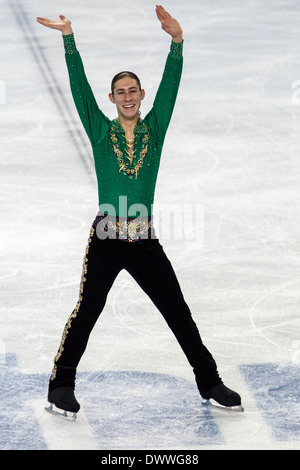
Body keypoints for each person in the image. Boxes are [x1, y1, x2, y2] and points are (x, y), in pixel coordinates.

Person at [37, 6, 242, 418]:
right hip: (108, 237)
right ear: (111, 99)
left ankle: (210, 381)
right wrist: (69, 39)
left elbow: (172, 86)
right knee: (87, 310)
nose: (128, 97)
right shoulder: (100, 130)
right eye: (121, 92)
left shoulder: (154, 128)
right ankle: (61, 385)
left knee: (177, 311)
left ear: (141, 95)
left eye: (134, 91)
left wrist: (177, 43)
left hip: (144, 239)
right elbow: (78, 88)